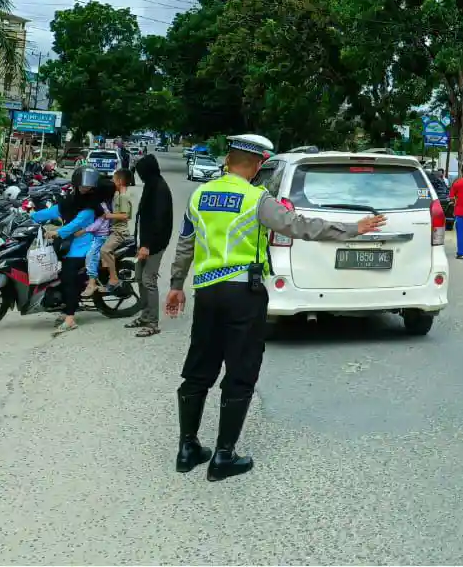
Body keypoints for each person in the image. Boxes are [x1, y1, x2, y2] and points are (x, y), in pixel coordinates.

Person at [165, 133, 387, 482]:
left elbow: (185, 244)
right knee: (240, 370)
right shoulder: (257, 199)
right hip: (243, 294)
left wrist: (176, 286)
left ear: (226, 162)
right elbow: (298, 226)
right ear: (255, 166)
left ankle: (187, 448)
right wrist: (352, 228)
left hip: (206, 293)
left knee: (199, 367)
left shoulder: (200, 194)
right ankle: (224, 456)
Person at [31, 168, 110, 337]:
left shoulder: (91, 205)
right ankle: (67, 306)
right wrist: (30, 217)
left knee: (68, 278)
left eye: (88, 186)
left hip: (84, 246)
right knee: (58, 274)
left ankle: (70, 318)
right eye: (82, 185)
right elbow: (54, 211)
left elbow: (76, 224)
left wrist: (57, 232)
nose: (84, 188)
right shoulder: (71, 200)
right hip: (68, 244)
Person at [130, 154, 173, 337]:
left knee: (149, 280)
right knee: (139, 277)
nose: (139, 175)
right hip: (146, 242)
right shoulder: (151, 184)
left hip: (155, 243)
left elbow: (158, 221)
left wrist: (147, 245)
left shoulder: (159, 188)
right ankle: (145, 314)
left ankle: (153, 323)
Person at [89, 168, 134, 298]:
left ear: (119, 181)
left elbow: (125, 216)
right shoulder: (118, 195)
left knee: (104, 250)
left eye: (113, 179)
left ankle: (114, 278)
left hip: (119, 232)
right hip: (113, 230)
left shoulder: (124, 197)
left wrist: (107, 216)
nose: (112, 182)